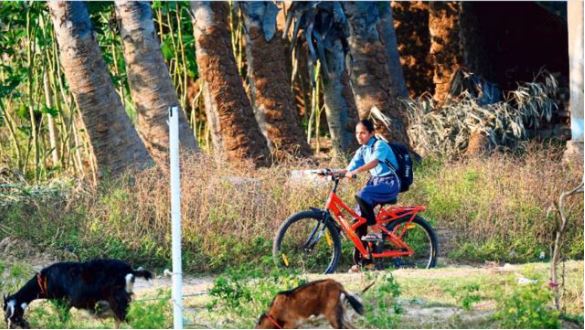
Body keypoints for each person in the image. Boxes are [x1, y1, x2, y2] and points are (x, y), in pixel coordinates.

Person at [337, 119, 400, 268]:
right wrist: (329, 172)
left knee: (362, 195)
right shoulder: (362, 150)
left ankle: (376, 231)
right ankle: (364, 262)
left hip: (389, 182)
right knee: (358, 220)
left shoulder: (380, 145)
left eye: (363, 133)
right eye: (357, 133)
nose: (359, 136)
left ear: (371, 133)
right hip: (375, 183)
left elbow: (374, 162)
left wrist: (356, 172)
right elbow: (348, 169)